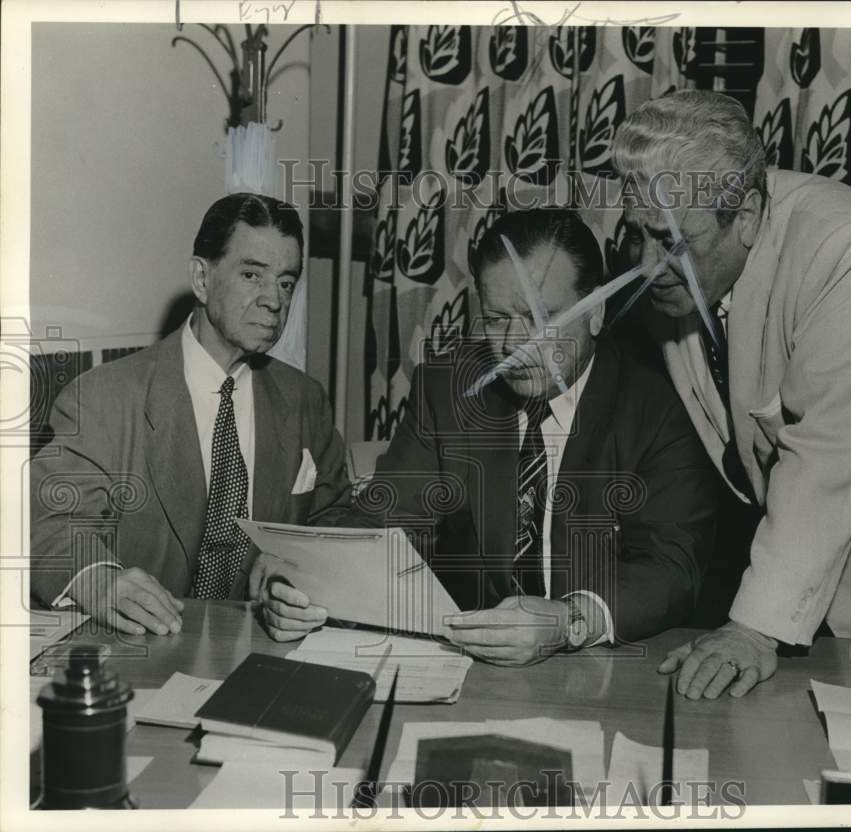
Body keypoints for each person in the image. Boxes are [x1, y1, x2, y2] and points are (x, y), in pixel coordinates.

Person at [610, 90, 851, 699]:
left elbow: (825, 453)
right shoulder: (671, 235)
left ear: (747, 216)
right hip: (804, 575)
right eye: (635, 234)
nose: (646, 266)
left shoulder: (840, 244)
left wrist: (753, 630)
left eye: (670, 240)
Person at [254, 208, 720, 664]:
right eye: (497, 320)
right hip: (473, 667)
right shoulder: (450, 386)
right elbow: (388, 519)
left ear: (595, 313)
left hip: (602, 667)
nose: (516, 346)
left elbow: (672, 568)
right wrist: (305, 575)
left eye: (541, 318)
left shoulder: (659, 404)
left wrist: (569, 621)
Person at [30, 193, 353, 635]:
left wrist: (298, 573)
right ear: (202, 279)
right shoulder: (105, 398)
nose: (273, 301)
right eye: (251, 274)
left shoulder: (304, 400)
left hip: (262, 650)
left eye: (286, 282)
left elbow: (335, 520)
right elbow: (47, 519)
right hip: (144, 654)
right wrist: (98, 580)